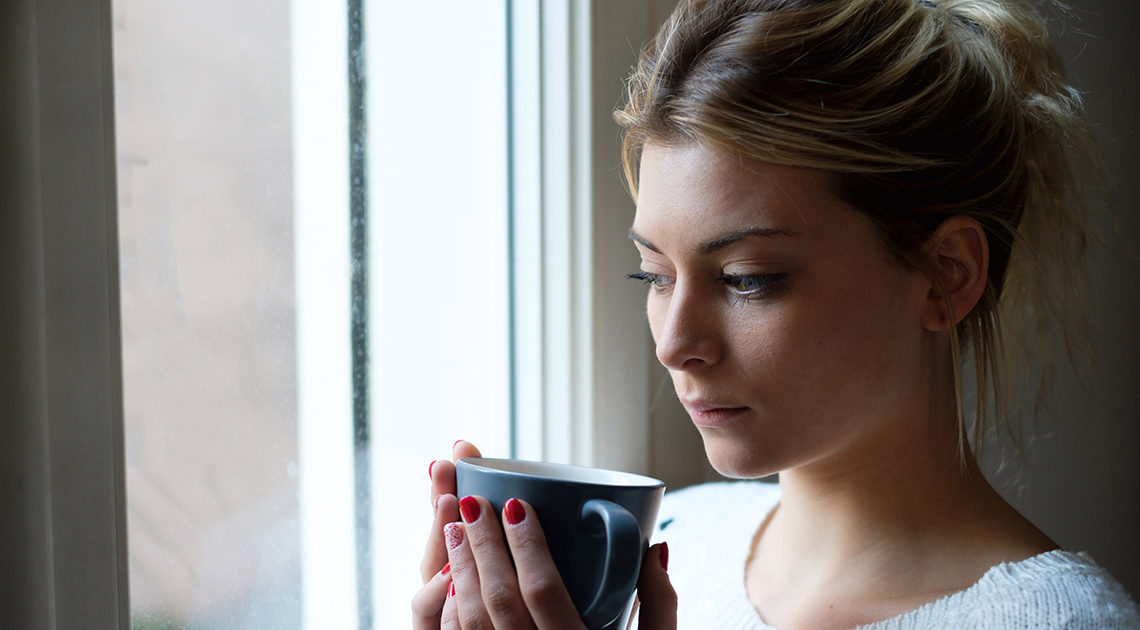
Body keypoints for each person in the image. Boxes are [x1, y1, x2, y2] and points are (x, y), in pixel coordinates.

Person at [412, 0, 1140, 627]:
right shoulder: (666, 549)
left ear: (946, 275)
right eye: (655, 274)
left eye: (747, 279)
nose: (674, 344)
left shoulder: (1063, 620)